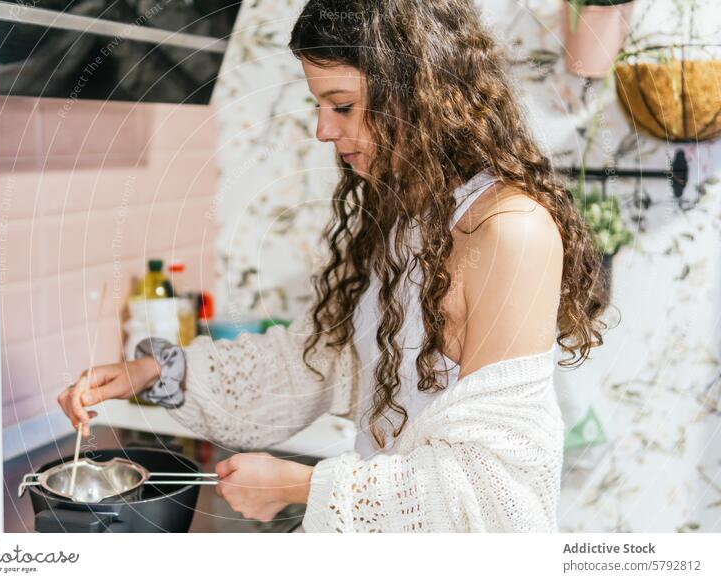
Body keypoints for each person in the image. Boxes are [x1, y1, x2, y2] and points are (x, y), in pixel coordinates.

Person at [57, 0, 609, 532]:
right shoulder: (407, 216)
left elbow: (491, 488)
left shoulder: (509, 229)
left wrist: (303, 486)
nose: (324, 130)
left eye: (342, 105)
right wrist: (156, 372)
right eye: (318, 105)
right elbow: (317, 360)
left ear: (419, 92)